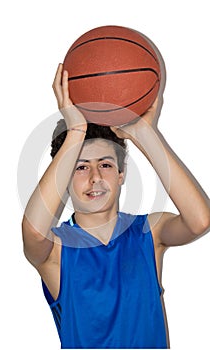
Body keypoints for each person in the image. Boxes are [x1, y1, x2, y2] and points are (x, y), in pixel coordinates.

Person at [22, 63, 210, 349]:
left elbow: (200, 221)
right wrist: (74, 132)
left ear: (121, 174)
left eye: (106, 165)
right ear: (64, 179)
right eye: (80, 167)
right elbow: (33, 232)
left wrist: (145, 133)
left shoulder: (149, 232)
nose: (95, 177)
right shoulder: (57, 250)